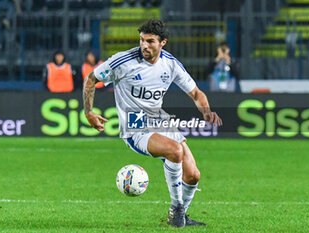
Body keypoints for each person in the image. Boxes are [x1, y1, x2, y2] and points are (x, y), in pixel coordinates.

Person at [83, 19, 222, 228]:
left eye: (150, 41)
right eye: (141, 40)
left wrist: (207, 111)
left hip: (159, 119)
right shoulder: (123, 61)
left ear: (162, 42)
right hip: (135, 124)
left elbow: (195, 93)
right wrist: (89, 112)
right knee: (175, 151)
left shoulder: (170, 64)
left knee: (193, 175)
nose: (144, 45)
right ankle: (177, 211)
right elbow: (91, 79)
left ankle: (181, 215)